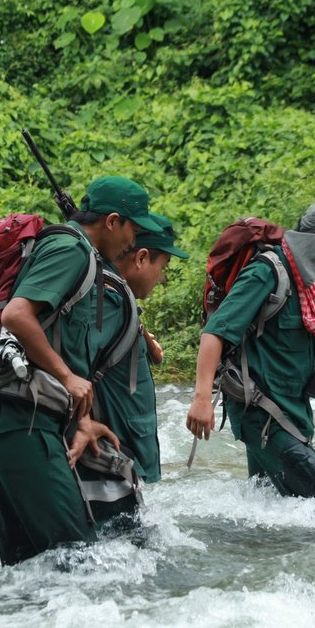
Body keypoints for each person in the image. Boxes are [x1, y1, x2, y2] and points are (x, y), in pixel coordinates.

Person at [0, 176, 163, 566]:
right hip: (21, 421)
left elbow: (68, 349)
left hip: (21, 419)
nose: (134, 240)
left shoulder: (86, 260)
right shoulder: (70, 249)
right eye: (133, 227)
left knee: (29, 568)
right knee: (76, 563)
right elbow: (17, 314)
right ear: (112, 221)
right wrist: (67, 378)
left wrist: (84, 419)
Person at [185, 199, 315, 499]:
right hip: (261, 412)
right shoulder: (267, 273)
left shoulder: (307, 278)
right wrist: (201, 399)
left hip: (290, 412)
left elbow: (303, 332)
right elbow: (214, 333)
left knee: (273, 507)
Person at [71, 212, 190, 529]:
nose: (162, 278)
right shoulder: (108, 302)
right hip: (106, 460)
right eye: (162, 268)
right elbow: (74, 363)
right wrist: (82, 421)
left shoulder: (112, 298)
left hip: (115, 461)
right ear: (141, 257)